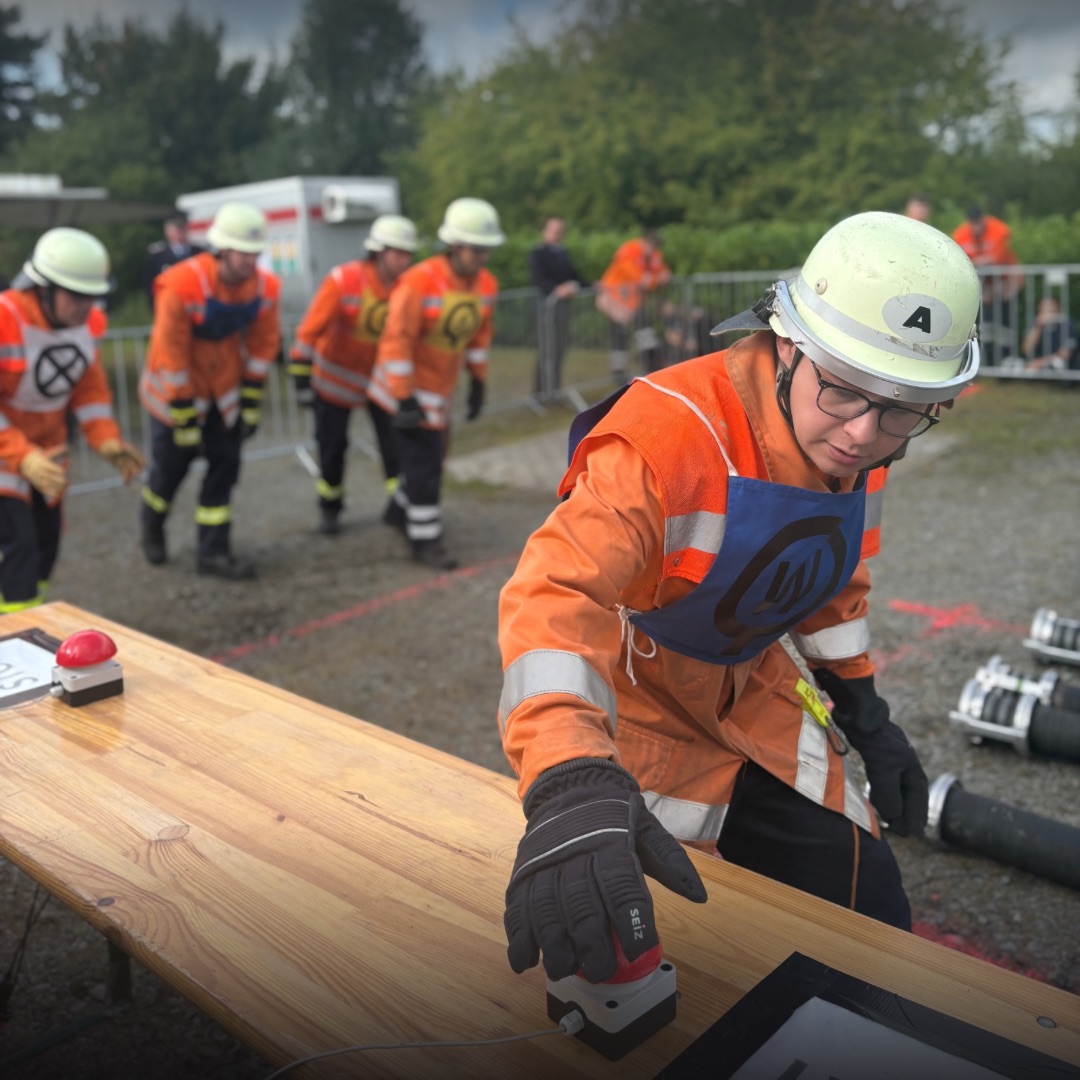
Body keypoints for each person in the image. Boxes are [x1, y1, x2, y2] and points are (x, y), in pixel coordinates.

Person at [498, 211, 981, 985]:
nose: (862, 435)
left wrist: (866, 712)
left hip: (752, 690)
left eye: (901, 412)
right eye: (846, 393)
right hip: (638, 705)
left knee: (865, 893)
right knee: (634, 942)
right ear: (789, 345)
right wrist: (569, 776)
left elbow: (832, 576)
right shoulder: (665, 435)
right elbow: (555, 588)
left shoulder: (855, 441)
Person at [0, 228, 144, 612]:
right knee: (18, 546)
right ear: (43, 287)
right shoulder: (5, 318)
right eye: (76, 295)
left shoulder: (90, 325)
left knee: (47, 542)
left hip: (48, 455)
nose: (86, 306)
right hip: (5, 457)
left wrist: (105, 438)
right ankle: (13, 636)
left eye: (93, 296)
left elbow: (88, 388)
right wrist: (21, 455)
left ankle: (33, 616)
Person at [138, 201, 281, 579]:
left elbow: (265, 344)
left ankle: (213, 553)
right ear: (221, 249)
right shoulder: (180, 285)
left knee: (224, 469)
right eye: (243, 253)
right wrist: (184, 416)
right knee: (169, 472)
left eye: (255, 253)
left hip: (223, 395)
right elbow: (172, 353)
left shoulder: (265, 287)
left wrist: (250, 401)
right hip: (173, 395)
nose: (250, 262)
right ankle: (152, 524)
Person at [368, 197, 503, 571]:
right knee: (425, 465)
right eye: (476, 249)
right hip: (404, 387)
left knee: (429, 458)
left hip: (436, 391)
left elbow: (478, 336)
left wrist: (478, 381)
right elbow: (396, 340)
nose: (482, 257)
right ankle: (425, 541)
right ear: (455, 245)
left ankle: (398, 512)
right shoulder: (418, 281)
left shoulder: (486, 284)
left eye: (487, 249)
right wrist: (403, 397)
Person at [289, 214, 419, 536]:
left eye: (408, 254)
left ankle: (398, 508)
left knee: (394, 448)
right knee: (332, 448)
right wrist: (301, 379)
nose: (404, 260)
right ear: (378, 251)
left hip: (381, 382)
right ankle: (330, 508)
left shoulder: (410, 286)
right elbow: (308, 332)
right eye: (397, 253)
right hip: (335, 383)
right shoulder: (344, 280)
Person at [596, 229, 672, 384]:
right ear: (643, 242)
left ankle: (644, 367)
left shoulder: (652, 255)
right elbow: (640, 278)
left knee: (635, 332)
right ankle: (621, 372)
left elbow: (663, 274)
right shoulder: (629, 250)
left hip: (631, 302)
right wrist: (655, 279)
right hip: (615, 299)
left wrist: (654, 278)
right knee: (622, 334)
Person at [952, 206, 1022, 367]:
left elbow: (998, 259)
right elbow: (963, 262)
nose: (976, 227)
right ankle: (987, 362)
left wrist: (979, 261)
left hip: (1006, 282)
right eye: (973, 223)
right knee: (986, 325)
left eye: (978, 222)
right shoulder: (961, 234)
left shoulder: (997, 229)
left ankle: (1006, 361)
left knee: (1005, 324)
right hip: (984, 285)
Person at [529, 216, 588, 400]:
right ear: (545, 232)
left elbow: (574, 275)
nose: (556, 234)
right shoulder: (538, 253)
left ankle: (554, 390)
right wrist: (557, 290)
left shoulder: (562, 253)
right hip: (545, 310)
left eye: (559, 231)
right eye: (553, 230)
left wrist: (593, 286)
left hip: (561, 310)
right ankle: (540, 393)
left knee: (559, 349)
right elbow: (538, 279)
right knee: (547, 350)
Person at [145, 211, 203, 306]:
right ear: (167, 231)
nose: (179, 232)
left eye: (182, 228)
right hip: (170, 307)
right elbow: (152, 288)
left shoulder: (199, 253)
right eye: (175, 229)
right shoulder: (158, 258)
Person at [1020, 294, 1077, 374]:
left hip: (1059, 363)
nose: (1048, 309)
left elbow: (1066, 353)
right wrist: (1038, 327)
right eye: (1044, 306)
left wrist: (1041, 362)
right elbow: (1026, 349)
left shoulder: (1067, 323)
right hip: (1038, 361)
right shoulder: (1035, 324)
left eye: (1051, 305)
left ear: (1057, 307)